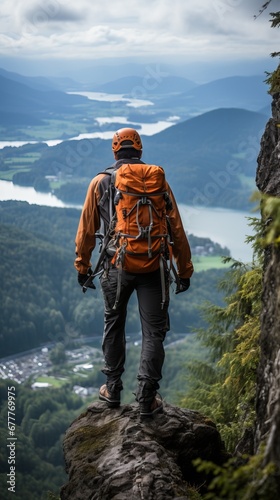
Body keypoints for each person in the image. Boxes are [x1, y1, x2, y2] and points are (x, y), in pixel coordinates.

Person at [74, 127, 193, 418]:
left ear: (115, 151)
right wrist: (184, 269)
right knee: (153, 332)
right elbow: (175, 228)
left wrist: (83, 266)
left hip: (116, 266)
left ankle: (112, 389)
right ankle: (146, 399)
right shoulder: (157, 181)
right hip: (154, 266)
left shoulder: (100, 182)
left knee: (113, 323)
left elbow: (86, 230)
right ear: (139, 151)